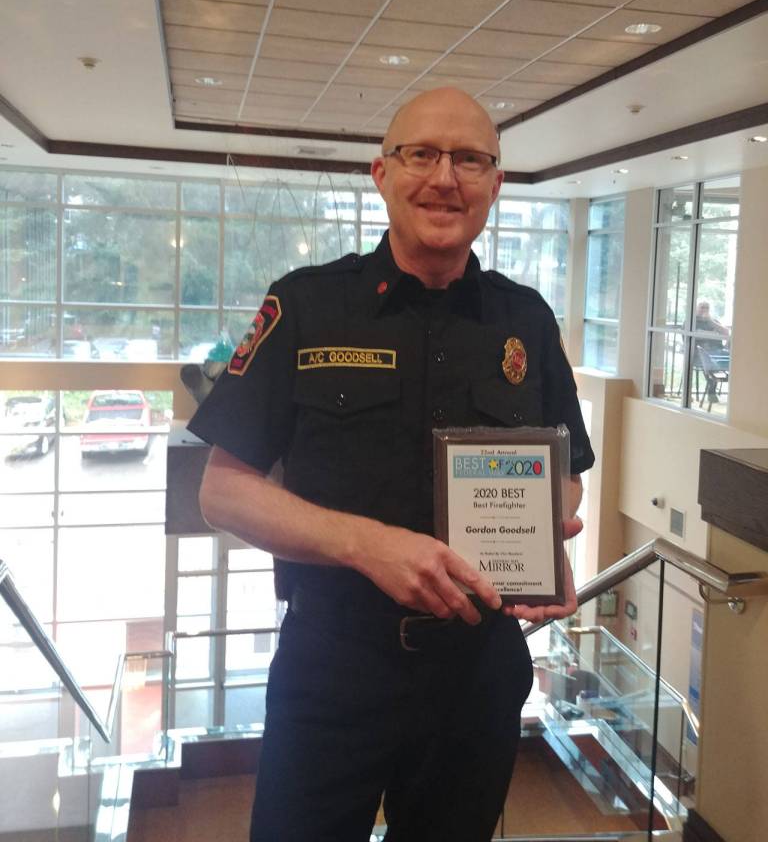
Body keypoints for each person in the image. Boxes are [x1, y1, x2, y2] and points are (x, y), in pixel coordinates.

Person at [187, 87, 595, 842]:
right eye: (423, 155)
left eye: (470, 159)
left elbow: (567, 465)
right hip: (333, 666)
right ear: (382, 173)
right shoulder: (304, 307)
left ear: (495, 184)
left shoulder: (526, 321)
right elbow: (224, 493)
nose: (446, 178)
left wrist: (547, 529)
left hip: (477, 674)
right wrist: (368, 546)